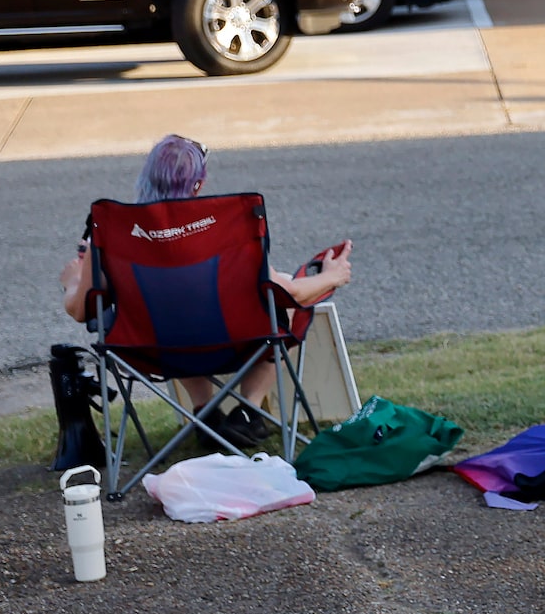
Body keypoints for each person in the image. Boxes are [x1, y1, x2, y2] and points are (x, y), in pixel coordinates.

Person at [60, 134, 353, 453]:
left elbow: (80, 311)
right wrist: (332, 276)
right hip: (240, 344)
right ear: (197, 185)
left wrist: (74, 282)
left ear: (145, 176)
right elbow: (291, 292)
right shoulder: (226, 227)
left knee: (171, 309)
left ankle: (205, 413)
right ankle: (248, 411)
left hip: (151, 352)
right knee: (281, 304)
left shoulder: (112, 232)